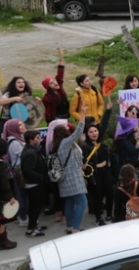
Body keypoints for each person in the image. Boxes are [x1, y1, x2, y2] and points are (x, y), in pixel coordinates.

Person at [53, 101, 89, 233]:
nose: (69, 129)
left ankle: (69, 226)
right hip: (73, 178)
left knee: (69, 203)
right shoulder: (65, 142)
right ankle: (75, 228)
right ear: (63, 132)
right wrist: (83, 113)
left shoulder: (58, 145)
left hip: (64, 180)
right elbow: (78, 131)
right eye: (66, 128)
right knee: (82, 202)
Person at [20, 130, 49, 237]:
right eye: (37, 137)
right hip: (34, 184)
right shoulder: (30, 153)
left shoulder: (31, 150)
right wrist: (41, 177)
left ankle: (34, 225)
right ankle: (31, 229)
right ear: (31, 140)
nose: (39, 139)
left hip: (35, 183)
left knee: (35, 206)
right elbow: (28, 170)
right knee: (35, 207)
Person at [42, 48, 70, 123]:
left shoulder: (59, 86)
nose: (55, 83)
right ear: (48, 87)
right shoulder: (47, 98)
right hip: (57, 118)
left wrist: (61, 55)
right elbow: (48, 113)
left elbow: (60, 71)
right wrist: (51, 123)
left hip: (66, 115)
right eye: (51, 83)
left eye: (54, 81)